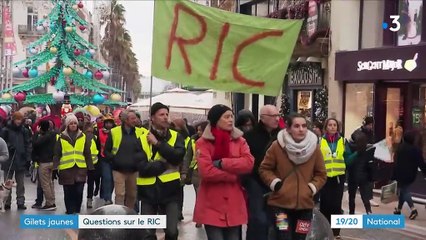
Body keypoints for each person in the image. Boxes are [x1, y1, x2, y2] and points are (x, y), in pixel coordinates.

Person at [259, 113, 326, 240]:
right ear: (288, 128)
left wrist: (311, 188)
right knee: (283, 236)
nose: (301, 129)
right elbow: (264, 169)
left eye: (304, 126)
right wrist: (275, 183)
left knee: (300, 237)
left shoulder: (315, 148)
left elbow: (321, 174)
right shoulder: (277, 146)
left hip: (305, 206)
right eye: (296, 126)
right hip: (280, 206)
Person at [193, 104, 254, 240]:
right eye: (226, 117)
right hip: (211, 203)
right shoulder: (203, 143)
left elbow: (248, 163)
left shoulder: (240, 140)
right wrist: (233, 175)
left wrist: (222, 163)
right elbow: (206, 171)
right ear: (216, 120)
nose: (231, 120)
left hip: (234, 202)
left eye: (232, 116)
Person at [137, 102, 186, 240]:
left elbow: (177, 158)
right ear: (152, 117)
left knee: (171, 232)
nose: (165, 117)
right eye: (161, 115)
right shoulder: (141, 139)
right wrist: (165, 165)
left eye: (166, 114)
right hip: (148, 191)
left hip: (170, 191)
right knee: (147, 234)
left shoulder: (176, 137)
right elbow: (142, 168)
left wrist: (157, 144)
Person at [243, 105, 281, 240]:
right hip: (256, 181)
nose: (277, 119)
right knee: (259, 218)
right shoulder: (250, 137)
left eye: (278, 115)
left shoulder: (282, 136)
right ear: (263, 118)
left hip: (278, 182)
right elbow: (247, 161)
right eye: (273, 116)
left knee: (281, 218)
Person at [53, 113, 94, 214]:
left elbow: (87, 153)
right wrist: (55, 167)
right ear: (67, 125)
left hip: (80, 168)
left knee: (79, 191)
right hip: (66, 169)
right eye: (71, 123)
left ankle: (77, 209)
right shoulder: (61, 137)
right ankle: (70, 210)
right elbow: (57, 154)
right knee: (68, 191)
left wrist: (91, 167)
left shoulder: (83, 136)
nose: (73, 125)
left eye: (75, 123)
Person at [104, 109, 146, 208]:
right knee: (120, 194)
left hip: (134, 170)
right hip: (119, 170)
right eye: (133, 118)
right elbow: (106, 150)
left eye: (135, 118)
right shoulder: (114, 132)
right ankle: (119, 216)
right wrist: (114, 159)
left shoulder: (141, 132)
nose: (135, 120)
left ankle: (129, 215)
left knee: (132, 195)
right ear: (126, 120)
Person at [319, 118, 346, 239]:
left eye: (335, 125)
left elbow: (348, 158)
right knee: (325, 205)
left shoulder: (343, 141)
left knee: (336, 205)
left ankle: (336, 233)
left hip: (338, 178)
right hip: (324, 178)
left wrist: (358, 154)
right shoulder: (320, 141)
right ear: (326, 127)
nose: (332, 127)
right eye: (330, 125)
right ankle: (326, 231)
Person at [1, 112, 32, 210]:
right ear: (13, 119)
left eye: (20, 119)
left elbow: (28, 144)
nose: (18, 121)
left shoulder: (24, 131)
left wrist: (28, 158)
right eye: (17, 119)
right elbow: (2, 142)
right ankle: (7, 202)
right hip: (8, 159)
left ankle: (20, 201)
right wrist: (9, 146)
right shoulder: (6, 130)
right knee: (7, 183)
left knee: (20, 183)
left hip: (20, 159)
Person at [392, 130, 426, 220]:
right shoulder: (416, 150)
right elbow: (421, 163)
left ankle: (413, 209)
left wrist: (393, 175)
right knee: (403, 190)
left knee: (404, 190)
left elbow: (396, 163)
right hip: (411, 174)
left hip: (400, 173)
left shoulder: (400, 148)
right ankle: (398, 209)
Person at [181, 120, 208, 228]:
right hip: (196, 172)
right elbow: (187, 157)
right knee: (199, 195)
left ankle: (205, 217)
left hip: (208, 172)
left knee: (207, 196)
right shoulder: (193, 140)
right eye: (198, 130)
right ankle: (200, 219)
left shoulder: (212, 140)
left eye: (201, 130)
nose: (199, 132)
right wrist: (184, 171)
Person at [350, 116, 379, 207]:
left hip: (369, 159)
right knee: (360, 183)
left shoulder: (371, 133)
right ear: (365, 124)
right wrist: (363, 146)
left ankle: (369, 199)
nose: (370, 126)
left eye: (371, 125)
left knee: (369, 181)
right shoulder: (358, 133)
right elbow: (352, 145)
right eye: (369, 124)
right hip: (359, 160)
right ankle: (355, 201)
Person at [345, 131, 374, 215]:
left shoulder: (350, 147)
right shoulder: (365, 148)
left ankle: (351, 213)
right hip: (363, 175)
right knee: (365, 195)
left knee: (352, 196)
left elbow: (348, 161)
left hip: (353, 175)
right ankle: (368, 211)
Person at [32, 120, 57, 210]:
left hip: (44, 162)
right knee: (50, 183)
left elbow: (35, 144)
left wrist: (36, 133)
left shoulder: (45, 137)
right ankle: (52, 201)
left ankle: (49, 203)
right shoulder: (53, 135)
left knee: (45, 184)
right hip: (52, 161)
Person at [96, 114, 116, 205]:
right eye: (107, 123)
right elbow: (97, 145)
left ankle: (109, 195)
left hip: (114, 158)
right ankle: (107, 198)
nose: (108, 125)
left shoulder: (116, 132)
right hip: (103, 158)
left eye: (110, 123)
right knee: (106, 178)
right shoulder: (99, 132)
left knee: (112, 179)